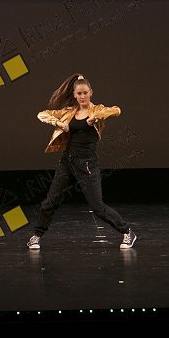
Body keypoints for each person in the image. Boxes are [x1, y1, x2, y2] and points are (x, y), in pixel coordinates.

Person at [27, 74, 136, 250]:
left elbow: (116, 110)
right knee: (50, 202)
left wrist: (96, 117)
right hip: (67, 162)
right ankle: (36, 236)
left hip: (87, 165)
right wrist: (59, 123)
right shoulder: (69, 112)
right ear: (75, 95)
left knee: (98, 208)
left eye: (85, 92)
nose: (83, 96)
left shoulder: (97, 110)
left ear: (91, 92)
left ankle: (127, 232)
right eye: (79, 93)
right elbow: (42, 114)